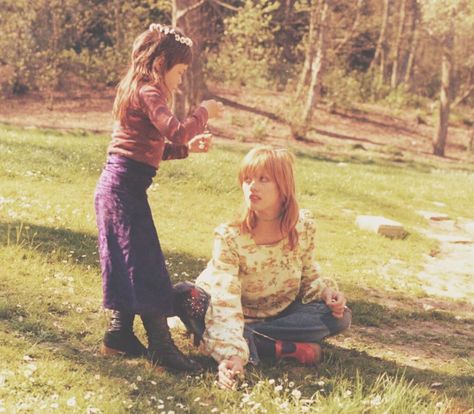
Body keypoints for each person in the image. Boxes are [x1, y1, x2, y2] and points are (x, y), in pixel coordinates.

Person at [94, 23, 223, 372]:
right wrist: (204, 112)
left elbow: (143, 149)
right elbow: (176, 130)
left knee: (129, 262)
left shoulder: (135, 88)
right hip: (123, 191)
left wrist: (185, 150)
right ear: (162, 63)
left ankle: (118, 336)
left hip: (120, 187)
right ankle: (163, 350)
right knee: (147, 266)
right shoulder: (150, 91)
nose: (180, 80)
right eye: (180, 72)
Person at [173, 145, 351, 387]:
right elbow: (224, 299)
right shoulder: (230, 236)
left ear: (284, 187)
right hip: (228, 311)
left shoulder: (303, 226)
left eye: (263, 179)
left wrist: (326, 293)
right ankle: (267, 346)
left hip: (280, 314)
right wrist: (232, 355)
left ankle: (242, 340)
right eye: (247, 179)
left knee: (341, 317)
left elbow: (308, 273)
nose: (252, 186)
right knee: (186, 296)